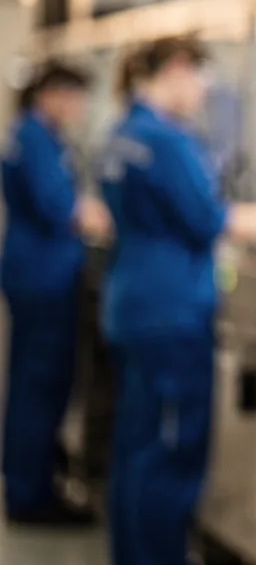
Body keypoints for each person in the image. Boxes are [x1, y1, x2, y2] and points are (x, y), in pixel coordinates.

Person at [98, 35, 256, 565]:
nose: (202, 91)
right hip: (171, 314)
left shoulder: (123, 132)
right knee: (169, 449)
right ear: (176, 68)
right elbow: (211, 221)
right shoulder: (165, 140)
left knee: (137, 444)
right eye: (200, 78)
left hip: (132, 304)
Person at [0, 60, 108, 526]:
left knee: (31, 382)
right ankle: (29, 493)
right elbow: (60, 207)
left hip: (34, 272)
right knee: (40, 385)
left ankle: (27, 476)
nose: (78, 108)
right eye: (75, 97)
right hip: (44, 278)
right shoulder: (35, 139)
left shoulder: (29, 133)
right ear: (53, 93)